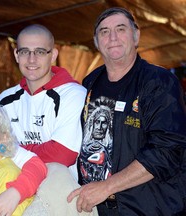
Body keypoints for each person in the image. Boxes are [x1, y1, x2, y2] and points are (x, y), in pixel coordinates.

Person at [67, 7, 186, 215]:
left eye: (120, 29)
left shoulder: (158, 82)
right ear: (96, 42)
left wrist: (107, 187)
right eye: (104, 32)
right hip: (96, 209)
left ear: (136, 35)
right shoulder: (89, 83)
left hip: (147, 208)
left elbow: (166, 151)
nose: (112, 37)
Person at [0, 24, 97, 215]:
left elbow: (62, 154)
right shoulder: (3, 100)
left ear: (53, 54)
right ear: (16, 55)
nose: (31, 59)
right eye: (25, 51)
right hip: (13, 196)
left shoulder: (74, 94)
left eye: (40, 51)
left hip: (61, 200)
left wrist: (10, 150)